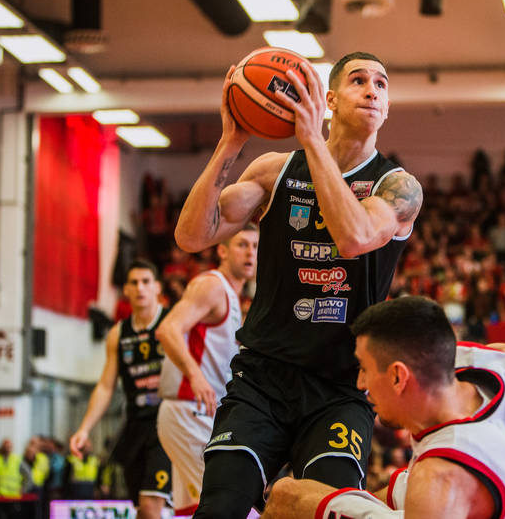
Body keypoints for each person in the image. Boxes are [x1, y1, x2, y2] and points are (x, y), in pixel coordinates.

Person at [174, 51, 422, 518]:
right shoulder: (275, 170)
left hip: (340, 386)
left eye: (381, 84)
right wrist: (230, 143)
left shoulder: (398, 187)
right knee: (221, 506)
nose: (372, 90)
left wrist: (311, 140)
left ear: (387, 107)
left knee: (327, 510)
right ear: (330, 99)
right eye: (358, 80)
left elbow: (354, 238)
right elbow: (192, 236)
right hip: (262, 378)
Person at [261, 297, 505, 519]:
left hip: (458, 499)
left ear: (398, 376)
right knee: (384, 492)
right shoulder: (502, 362)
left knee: (287, 497)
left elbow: (438, 490)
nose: (360, 383)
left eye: (364, 368)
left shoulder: (440, 481)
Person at [155, 226, 258, 516]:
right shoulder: (212, 286)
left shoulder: (236, 298)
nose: (250, 253)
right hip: (189, 409)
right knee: (229, 501)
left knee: (191, 509)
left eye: (255, 246)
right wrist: (195, 375)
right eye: (242, 244)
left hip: (201, 412)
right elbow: (168, 329)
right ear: (222, 251)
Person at [69, 260, 172, 518]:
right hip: (135, 425)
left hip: (168, 424)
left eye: (146, 282)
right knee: (140, 510)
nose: (140, 288)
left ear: (157, 287)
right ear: (125, 289)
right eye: (134, 283)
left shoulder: (172, 322)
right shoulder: (118, 334)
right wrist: (84, 429)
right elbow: (106, 386)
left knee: (151, 505)